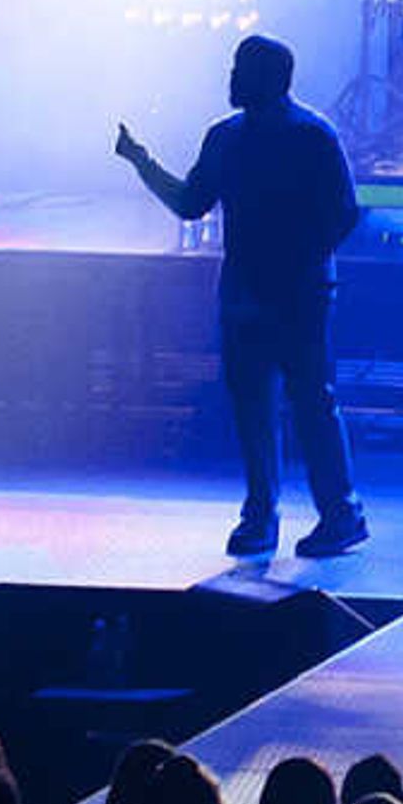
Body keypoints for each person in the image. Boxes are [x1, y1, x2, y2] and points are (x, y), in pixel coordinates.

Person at [116, 36, 368, 560]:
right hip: (261, 291)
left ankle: (329, 514)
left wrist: (297, 263)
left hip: (287, 292)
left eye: (240, 70)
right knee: (269, 404)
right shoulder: (247, 136)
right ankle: (283, 515)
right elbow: (193, 203)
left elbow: (343, 212)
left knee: (303, 402)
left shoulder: (305, 136)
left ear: (269, 78)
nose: (230, 78)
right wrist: (141, 161)